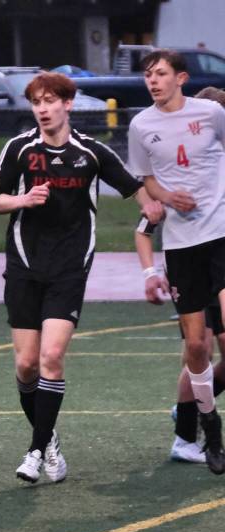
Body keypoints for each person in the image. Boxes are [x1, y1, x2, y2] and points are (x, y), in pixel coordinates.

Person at [0, 72, 160, 484]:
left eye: (50, 101)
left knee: (51, 358)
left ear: (68, 103)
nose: (43, 109)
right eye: (36, 102)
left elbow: (136, 188)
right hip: (24, 265)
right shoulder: (19, 149)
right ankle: (48, 440)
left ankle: (34, 450)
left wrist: (152, 211)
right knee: (27, 364)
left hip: (70, 267)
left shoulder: (91, 153)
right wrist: (24, 199)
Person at [128, 49, 225, 475]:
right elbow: (146, 182)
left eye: (160, 73)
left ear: (180, 78)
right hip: (182, 248)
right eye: (148, 75)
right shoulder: (140, 125)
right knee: (196, 347)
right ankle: (208, 430)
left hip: (221, 236)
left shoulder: (210, 113)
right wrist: (165, 198)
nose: (153, 80)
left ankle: (191, 426)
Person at [134, 206, 225, 463]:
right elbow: (144, 227)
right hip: (190, 271)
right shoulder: (173, 186)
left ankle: (193, 406)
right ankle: (185, 438)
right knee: (200, 347)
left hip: (220, 266)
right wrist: (150, 272)